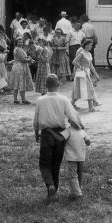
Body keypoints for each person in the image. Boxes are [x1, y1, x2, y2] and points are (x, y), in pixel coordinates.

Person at [33, 74, 83, 203]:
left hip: (46, 134)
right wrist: (80, 128)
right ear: (58, 85)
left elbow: (36, 120)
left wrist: (36, 132)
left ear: (46, 85)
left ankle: (50, 185)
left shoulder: (40, 100)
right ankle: (54, 190)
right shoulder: (63, 99)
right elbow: (72, 116)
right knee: (56, 163)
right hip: (60, 135)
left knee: (45, 163)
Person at [71, 39, 101, 112]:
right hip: (81, 73)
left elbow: (91, 66)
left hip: (86, 72)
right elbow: (74, 62)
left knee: (80, 90)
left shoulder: (89, 54)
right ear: (86, 45)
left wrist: (96, 75)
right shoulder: (81, 53)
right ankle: (91, 107)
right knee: (88, 89)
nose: (92, 46)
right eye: (91, 45)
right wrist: (81, 67)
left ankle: (71, 104)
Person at [64, 125, 91, 199]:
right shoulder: (82, 132)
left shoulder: (68, 131)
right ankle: (79, 188)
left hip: (71, 157)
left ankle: (77, 193)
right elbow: (88, 142)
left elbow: (63, 140)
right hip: (81, 156)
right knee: (79, 173)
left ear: (70, 121)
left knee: (73, 175)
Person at [11, 37, 34, 104]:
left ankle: (15, 100)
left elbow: (22, 58)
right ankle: (23, 99)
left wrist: (28, 58)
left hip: (18, 66)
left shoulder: (19, 49)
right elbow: (22, 60)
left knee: (16, 83)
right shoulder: (18, 49)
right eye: (19, 42)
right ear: (16, 43)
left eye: (21, 42)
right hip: (20, 67)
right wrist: (29, 60)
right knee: (21, 82)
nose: (21, 43)